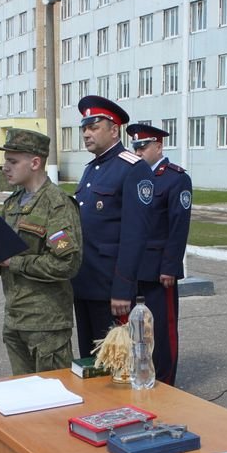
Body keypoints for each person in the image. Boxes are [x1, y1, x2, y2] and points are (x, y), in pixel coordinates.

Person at [0, 128, 82, 375]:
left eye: (12, 161)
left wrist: (15, 262)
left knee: (54, 399)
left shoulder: (57, 205)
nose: (5, 168)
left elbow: (67, 264)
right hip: (15, 318)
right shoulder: (13, 203)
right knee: (24, 399)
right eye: (5, 162)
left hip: (46, 324)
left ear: (35, 162)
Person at [70, 95, 154, 358]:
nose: (86, 133)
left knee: (115, 362)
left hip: (110, 288)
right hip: (84, 281)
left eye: (93, 127)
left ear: (114, 129)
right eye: (84, 128)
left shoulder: (132, 169)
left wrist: (122, 289)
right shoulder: (92, 169)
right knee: (89, 359)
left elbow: (134, 235)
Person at [125, 123, 192, 386]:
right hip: (133, 267)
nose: (139, 152)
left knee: (162, 328)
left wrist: (170, 266)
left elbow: (178, 226)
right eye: (136, 147)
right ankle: (137, 374)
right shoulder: (132, 176)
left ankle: (165, 379)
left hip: (158, 268)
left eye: (143, 147)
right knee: (133, 328)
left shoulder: (175, 178)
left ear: (158, 146)